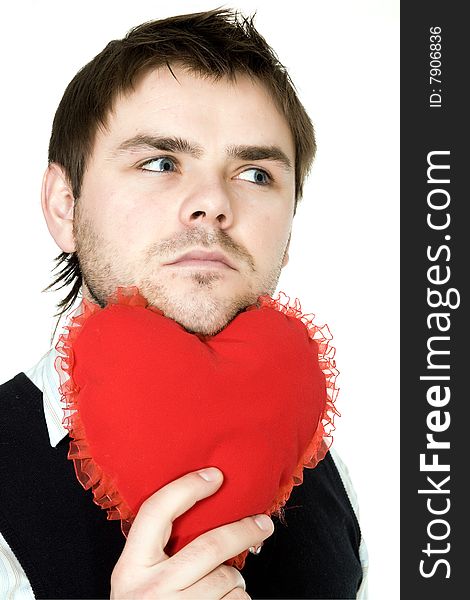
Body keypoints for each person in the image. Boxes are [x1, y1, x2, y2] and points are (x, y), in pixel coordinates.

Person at [0, 8, 368, 599]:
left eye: (254, 174)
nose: (212, 204)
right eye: (160, 163)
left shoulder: (330, 479)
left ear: (290, 229)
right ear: (65, 205)